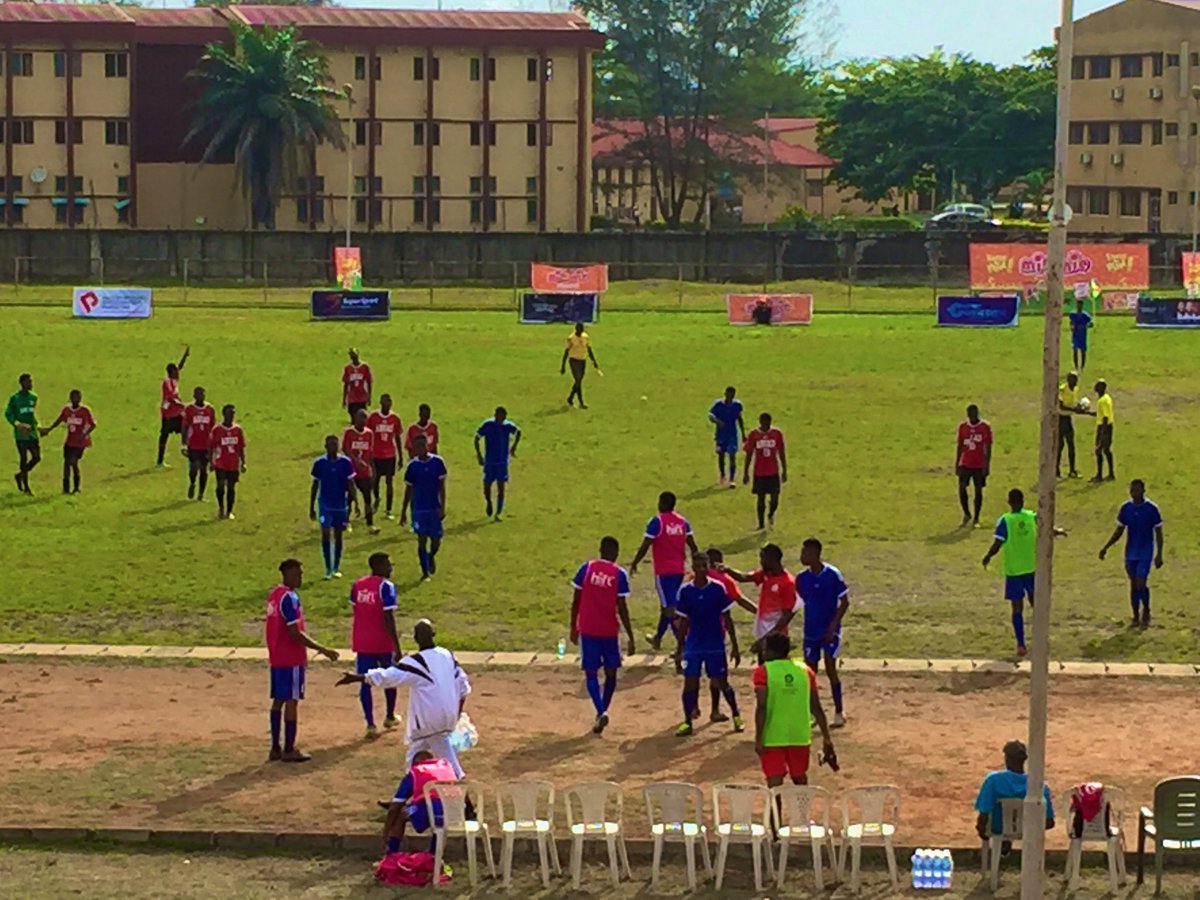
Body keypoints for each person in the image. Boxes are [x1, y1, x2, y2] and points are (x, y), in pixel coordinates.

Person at [336, 618, 471, 776]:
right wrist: (456, 713)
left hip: (429, 722)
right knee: (413, 757)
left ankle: (465, 799)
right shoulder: (448, 655)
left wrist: (358, 677)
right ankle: (400, 798)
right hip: (445, 718)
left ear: (415, 638)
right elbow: (463, 686)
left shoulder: (416, 662)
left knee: (451, 767)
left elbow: (388, 676)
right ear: (434, 634)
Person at [265, 558, 340, 763]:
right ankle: (289, 748)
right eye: (297, 574)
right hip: (291, 657)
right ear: (287, 574)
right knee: (292, 701)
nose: (300, 577)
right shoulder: (289, 597)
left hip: (277, 656)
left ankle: (275, 747)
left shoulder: (274, 595)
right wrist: (322, 649)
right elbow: (294, 632)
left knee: (278, 700)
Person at [982, 489, 1067, 657]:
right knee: (1037, 604)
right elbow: (1047, 527)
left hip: (1014, 571)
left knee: (1017, 608)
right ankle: (1042, 639)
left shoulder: (1005, 520)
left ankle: (1021, 644)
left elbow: (997, 544)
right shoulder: (1031, 516)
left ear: (1009, 502)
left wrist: (988, 556)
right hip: (1031, 568)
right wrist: (1058, 531)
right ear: (1023, 501)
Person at [570, 536, 636, 735]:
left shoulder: (587, 569)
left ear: (600, 550)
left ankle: (601, 711)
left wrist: (573, 626)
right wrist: (631, 636)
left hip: (588, 628)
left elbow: (575, 601)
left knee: (591, 673)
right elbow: (622, 608)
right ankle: (603, 710)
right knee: (611, 673)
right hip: (609, 630)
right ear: (616, 553)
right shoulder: (619, 574)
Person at [753, 633, 837, 789]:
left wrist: (758, 738)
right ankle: (802, 813)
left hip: (772, 736)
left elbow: (762, 707)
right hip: (799, 734)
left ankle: (774, 814)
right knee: (799, 779)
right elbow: (816, 708)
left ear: (770, 651)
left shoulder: (763, 672)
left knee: (774, 784)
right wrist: (827, 739)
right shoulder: (806, 671)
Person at [673, 551, 742, 737]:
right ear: (693, 568)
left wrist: (734, 645)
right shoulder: (686, 591)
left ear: (708, 567)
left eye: (704, 566)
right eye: (698, 566)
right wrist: (679, 649)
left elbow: (728, 618)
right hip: (693, 645)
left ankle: (736, 715)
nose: (701, 569)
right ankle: (687, 721)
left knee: (721, 682)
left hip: (715, 644)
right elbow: (683, 622)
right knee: (689, 683)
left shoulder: (718, 589)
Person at [629, 491, 699, 651]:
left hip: (663, 572)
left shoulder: (657, 522)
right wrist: (697, 566)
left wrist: (635, 562)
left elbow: (646, 544)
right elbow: (693, 547)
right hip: (679, 570)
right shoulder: (683, 522)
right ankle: (658, 638)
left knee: (669, 609)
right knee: (668, 605)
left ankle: (684, 645)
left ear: (662, 503)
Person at [797, 538, 850, 728]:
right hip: (811, 631)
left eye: (805, 553)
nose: (801, 556)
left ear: (815, 554)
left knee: (830, 668)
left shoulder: (832, 575)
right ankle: (811, 712)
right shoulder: (802, 578)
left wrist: (832, 628)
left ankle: (838, 711)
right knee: (810, 673)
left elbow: (844, 603)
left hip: (829, 632)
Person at [351, 552, 402, 739]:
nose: (391, 568)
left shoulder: (357, 586)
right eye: (388, 565)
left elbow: (356, 610)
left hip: (362, 641)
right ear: (378, 566)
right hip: (382, 641)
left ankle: (370, 724)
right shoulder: (386, 587)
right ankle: (389, 716)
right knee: (390, 678)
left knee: (365, 681)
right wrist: (397, 645)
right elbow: (389, 618)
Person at [1099, 479, 1164, 629]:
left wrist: (1159, 554)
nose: (1134, 493)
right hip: (1131, 552)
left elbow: (1159, 532)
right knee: (1134, 584)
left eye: (1137, 490)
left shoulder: (1151, 509)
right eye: (1132, 490)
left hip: (1145, 552)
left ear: (1143, 491)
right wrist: (1106, 547)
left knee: (1141, 582)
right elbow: (1119, 530)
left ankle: (1146, 609)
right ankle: (1135, 615)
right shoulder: (1126, 508)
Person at [721, 544, 798, 664]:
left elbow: (786, 617)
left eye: (763, 558)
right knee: (763, 665)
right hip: (763, 629)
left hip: (776, 635)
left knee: (775, 665)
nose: (761, 561)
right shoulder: (766, 574)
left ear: (772, 559)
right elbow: (744, 577)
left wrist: (766, 638)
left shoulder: (787, 583)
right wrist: (727, 570)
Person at [974, 740, 1054, 847]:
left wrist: (981, 830)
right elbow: (1049, 822)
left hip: (998, 828)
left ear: (1007, 759)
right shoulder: (1038, 785)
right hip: (1027, 829)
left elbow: (984, 812)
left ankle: (1004, 841)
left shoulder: (994, 780)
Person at [382, 751, 455, 855]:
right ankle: (434, 855)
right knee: (439, 821)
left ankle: (391, 854)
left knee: (400, 814)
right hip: (455, 813)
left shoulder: (417, 771)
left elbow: (395, 806)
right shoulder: (447, 767)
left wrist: (385, 833)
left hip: (431, 810)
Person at [706, 547, 747, 722]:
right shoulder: (723, 581)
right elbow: (730, 612)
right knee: (720, 678)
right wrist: (735, 645)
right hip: (715, 638)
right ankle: (734, 714)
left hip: (696, 638)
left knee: (699, 677)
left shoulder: (691, 580)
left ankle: (698, 712)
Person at [400, 433, 447, 579]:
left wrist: (443, 506)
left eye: (423, 445)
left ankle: (430, 555)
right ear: (414, 448)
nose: (421, 448)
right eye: (418, 446)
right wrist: (403, 511)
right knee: (421, 540)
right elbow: (409, 489)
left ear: (427, 445)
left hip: (434, 507)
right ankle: (425, 571)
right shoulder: (412, 466)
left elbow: (442, 487)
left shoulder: (438, 462)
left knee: (436, 540)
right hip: (419, 509)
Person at [309, 434, 355, 579]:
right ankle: (328, 568)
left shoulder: (346, 463)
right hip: (325, 504)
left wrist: (355, 503)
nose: (333, 448)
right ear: (325, 447)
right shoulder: (320, 463)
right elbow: (315, 485)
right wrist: (311, 507)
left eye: (335, 444)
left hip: (341, 505)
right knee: (325, 534)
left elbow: (350, 485)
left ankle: (336, 567)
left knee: (339, 535)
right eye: (330, 445)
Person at [39, 388, 95, 495]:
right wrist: (49, 429)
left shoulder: (84, 411)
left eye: (78, 397)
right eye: (73, 397)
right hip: (69, 442)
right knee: (66, 464)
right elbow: (59, 420)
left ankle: (76, 487)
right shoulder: (67, 411)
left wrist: (84, 434)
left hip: (80, 443)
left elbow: (93, 424)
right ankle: (66, 489)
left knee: (73, 462)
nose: (75, 400)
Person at [474, 406, 521, 519]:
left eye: (503, 417)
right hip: (490, 461)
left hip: (502, 462)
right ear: (495, 415)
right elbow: (476, 438)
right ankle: (489, 502)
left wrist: (514, 447)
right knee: (487, 486)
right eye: (498, 416)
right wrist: (479, 455)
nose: (500, 419)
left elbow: (518, 432)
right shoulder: (488, 425)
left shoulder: (507, 426)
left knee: (501, 487)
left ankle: (499, 512)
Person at [743, 412, 787, 529]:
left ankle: (771, 513)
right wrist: (746, 472)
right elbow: (749, 453)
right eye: (763, 422)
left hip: (773, 472)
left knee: (775, 499)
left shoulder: (777, 434)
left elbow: (781, 452)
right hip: (759, 472)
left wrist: (784, 470)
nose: (765, 424)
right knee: (760, 499)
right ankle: (761, 524)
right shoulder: (754, 435)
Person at [342, 408, 379, 534]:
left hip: (364, 472)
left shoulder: (369, 434)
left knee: (367, 499)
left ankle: (370, 524)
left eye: (364, 419)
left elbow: (370, 452)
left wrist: (368, 466)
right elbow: (346, 449)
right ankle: (346, 522)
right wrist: (357, 462)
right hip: (350, 472)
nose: (362, 421)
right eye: (360, 418)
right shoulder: (349, 433)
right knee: (350, 498)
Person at [956, 404, 992, 527]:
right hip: (965, 463)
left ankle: (976, 517)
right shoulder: (963, 427)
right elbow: (960, 446)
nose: (972, 416)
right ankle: (967, 513)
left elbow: (988, 447)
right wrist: (957, 463)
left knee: (978, 491)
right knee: (961, 488)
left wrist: (986, 465)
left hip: (979, 465)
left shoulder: (985, 427)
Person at [368, 393, 402, 520]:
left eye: (389, 401)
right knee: (375, 480)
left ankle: (389, 509)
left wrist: (400, 456)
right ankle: (376, 498)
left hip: (390, 455)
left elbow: (397, 437)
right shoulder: (373, 418)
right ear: (381, 403)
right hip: (376, 455)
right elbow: (368, 435)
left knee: (389, 482)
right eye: (385, 401)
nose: (387, 404)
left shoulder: (395, 418)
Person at [209, 404, 246, 520]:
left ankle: (229, 511)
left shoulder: (237, 430)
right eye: (230, 413)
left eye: (233, 413)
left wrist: (243, 462)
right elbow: (212, 447)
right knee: (220, 486)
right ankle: (221, 508)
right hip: (221, 463)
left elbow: (240, 447)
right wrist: (211, 461)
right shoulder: (217, 430)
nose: (232, 416)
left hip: (233, 464)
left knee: (231, 488)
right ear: (224, 414)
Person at [156, 345, 189, 468]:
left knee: (186, 427)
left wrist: (185, 357)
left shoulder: (174, 380)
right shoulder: (167, 382)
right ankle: (160, 461)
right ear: (171, 372)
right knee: (164, 436)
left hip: (176, 413)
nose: (178, 372)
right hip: (169, 415)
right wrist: (183, 405)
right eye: (176, 370)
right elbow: (171, 398)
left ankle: (185, 447)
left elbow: (180, 367)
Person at [6, 373, 39, 494]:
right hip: (21, 435)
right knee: (23, 458)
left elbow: (32, 415)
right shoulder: (15, 398)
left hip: (32, 433)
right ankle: (26, 486)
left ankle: (20, 475)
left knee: (37, 457)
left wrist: (38, 426)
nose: (31, 384)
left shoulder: (33, 397)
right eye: (28, 382)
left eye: (31, 381)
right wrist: (18, 425)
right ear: (22, 383)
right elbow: (8, 414)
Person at [181, 386, 216, 502]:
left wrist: (214, 445)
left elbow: (213, 428)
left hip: (205, 445)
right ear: (194, 396)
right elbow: (185, 427)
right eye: (198, 394)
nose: (201, 396)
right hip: (193, 444)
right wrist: (184, 444)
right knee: (194, 468)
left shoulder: (210, 409)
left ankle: (201, 495)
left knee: (204, 470)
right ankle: (192, 483)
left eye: (203, 394)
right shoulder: (189, 409)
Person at [709, 386, 745, 487]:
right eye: (728, 394)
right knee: (721, 455)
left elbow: (739, 418)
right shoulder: (718, 404)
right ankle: (722, 475)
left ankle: (732, 479)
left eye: (732, 395)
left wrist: (743, 433)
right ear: (725, 394)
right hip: (720, 435)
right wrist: (717, 421)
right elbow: (710, 415)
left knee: (732, 456)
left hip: (732, 435)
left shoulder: (737, 405)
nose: (730, 396)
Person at [561, 322, 600, 408]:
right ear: (576, 329)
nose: (580, 332)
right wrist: (563, 366)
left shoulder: (585, 337)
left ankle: (570, 398)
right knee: (578, 380)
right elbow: (566, 352)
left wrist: (594, 361)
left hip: (582, 360)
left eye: (581, 330)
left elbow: (589, 349)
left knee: (578, 381)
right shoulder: (571, 338)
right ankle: (581, 402)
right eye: (578, 330)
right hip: (574, 360)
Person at [1084, 379, 1115, 483]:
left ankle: (1099, 475)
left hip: (1104, 427)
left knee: (1099, 450)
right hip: (1108, 426)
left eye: (1097, 385)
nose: (1095, 387)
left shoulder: (1102, 401)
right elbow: (1103, 414)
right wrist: (1090, 413)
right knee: (1106, 451)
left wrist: (1101, 436)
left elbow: (1105, 418)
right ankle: (1111, 473)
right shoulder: (1106, 398)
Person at [1057, 371, 1082, 479]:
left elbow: (1074, 403)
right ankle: (1056, 469)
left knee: (1071, 444)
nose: (1076, 382)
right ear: (1068, 380)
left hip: (1068, 418)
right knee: (1060, 445)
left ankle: (1072, 470)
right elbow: (1061, 406)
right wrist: (1074, 409)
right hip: (1060, 418)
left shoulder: (1075, 389)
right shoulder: (1062, 389)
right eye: (1073, 379)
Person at [342, 347, 372, 423]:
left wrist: (369, 396)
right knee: (353, 417)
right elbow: (346, 384)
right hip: (352, 398)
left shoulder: (365, 367)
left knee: (362, 417)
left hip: (362, 397)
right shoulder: (348, 368)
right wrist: (344, 399)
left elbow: (369, 382)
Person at [1067, 298, 1094, 371]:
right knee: (1075, 350)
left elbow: (1091, 323)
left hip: (1082, 335)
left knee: (1083, 351)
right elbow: (1071, 323)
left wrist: (1087, 325)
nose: (1079, 306)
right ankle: (1076, 366)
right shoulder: (1073, 314)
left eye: (1080, 305)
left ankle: (1082, 366)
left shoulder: (1085, 315)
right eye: (1078, 305)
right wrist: (1071, 327)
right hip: (1075, 334)